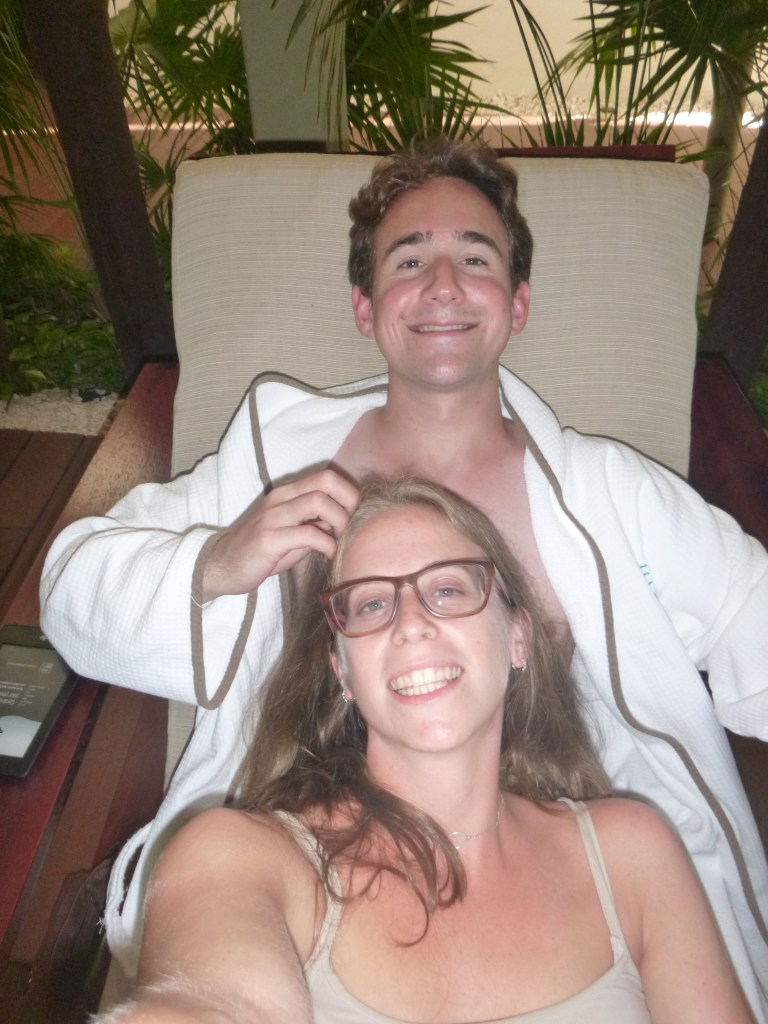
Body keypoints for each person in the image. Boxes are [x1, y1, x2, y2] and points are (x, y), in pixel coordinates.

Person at [39, 139, 768, 1016]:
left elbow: (753, 622)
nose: (444, 285)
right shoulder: (271, 462)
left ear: (518, 302)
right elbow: (69, 587)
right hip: (319, 881)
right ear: (365, 306)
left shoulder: (614, 498)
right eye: (410, 260)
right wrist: (219, 560)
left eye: (476, 258)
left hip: (589, 896)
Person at [96, 479, 755, 1024]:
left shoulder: (633, 852)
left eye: (447, 590)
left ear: (517, 636)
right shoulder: (243, 856)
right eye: (371, 604)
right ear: (342, 671)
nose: (411, 623)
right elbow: (212, 998)